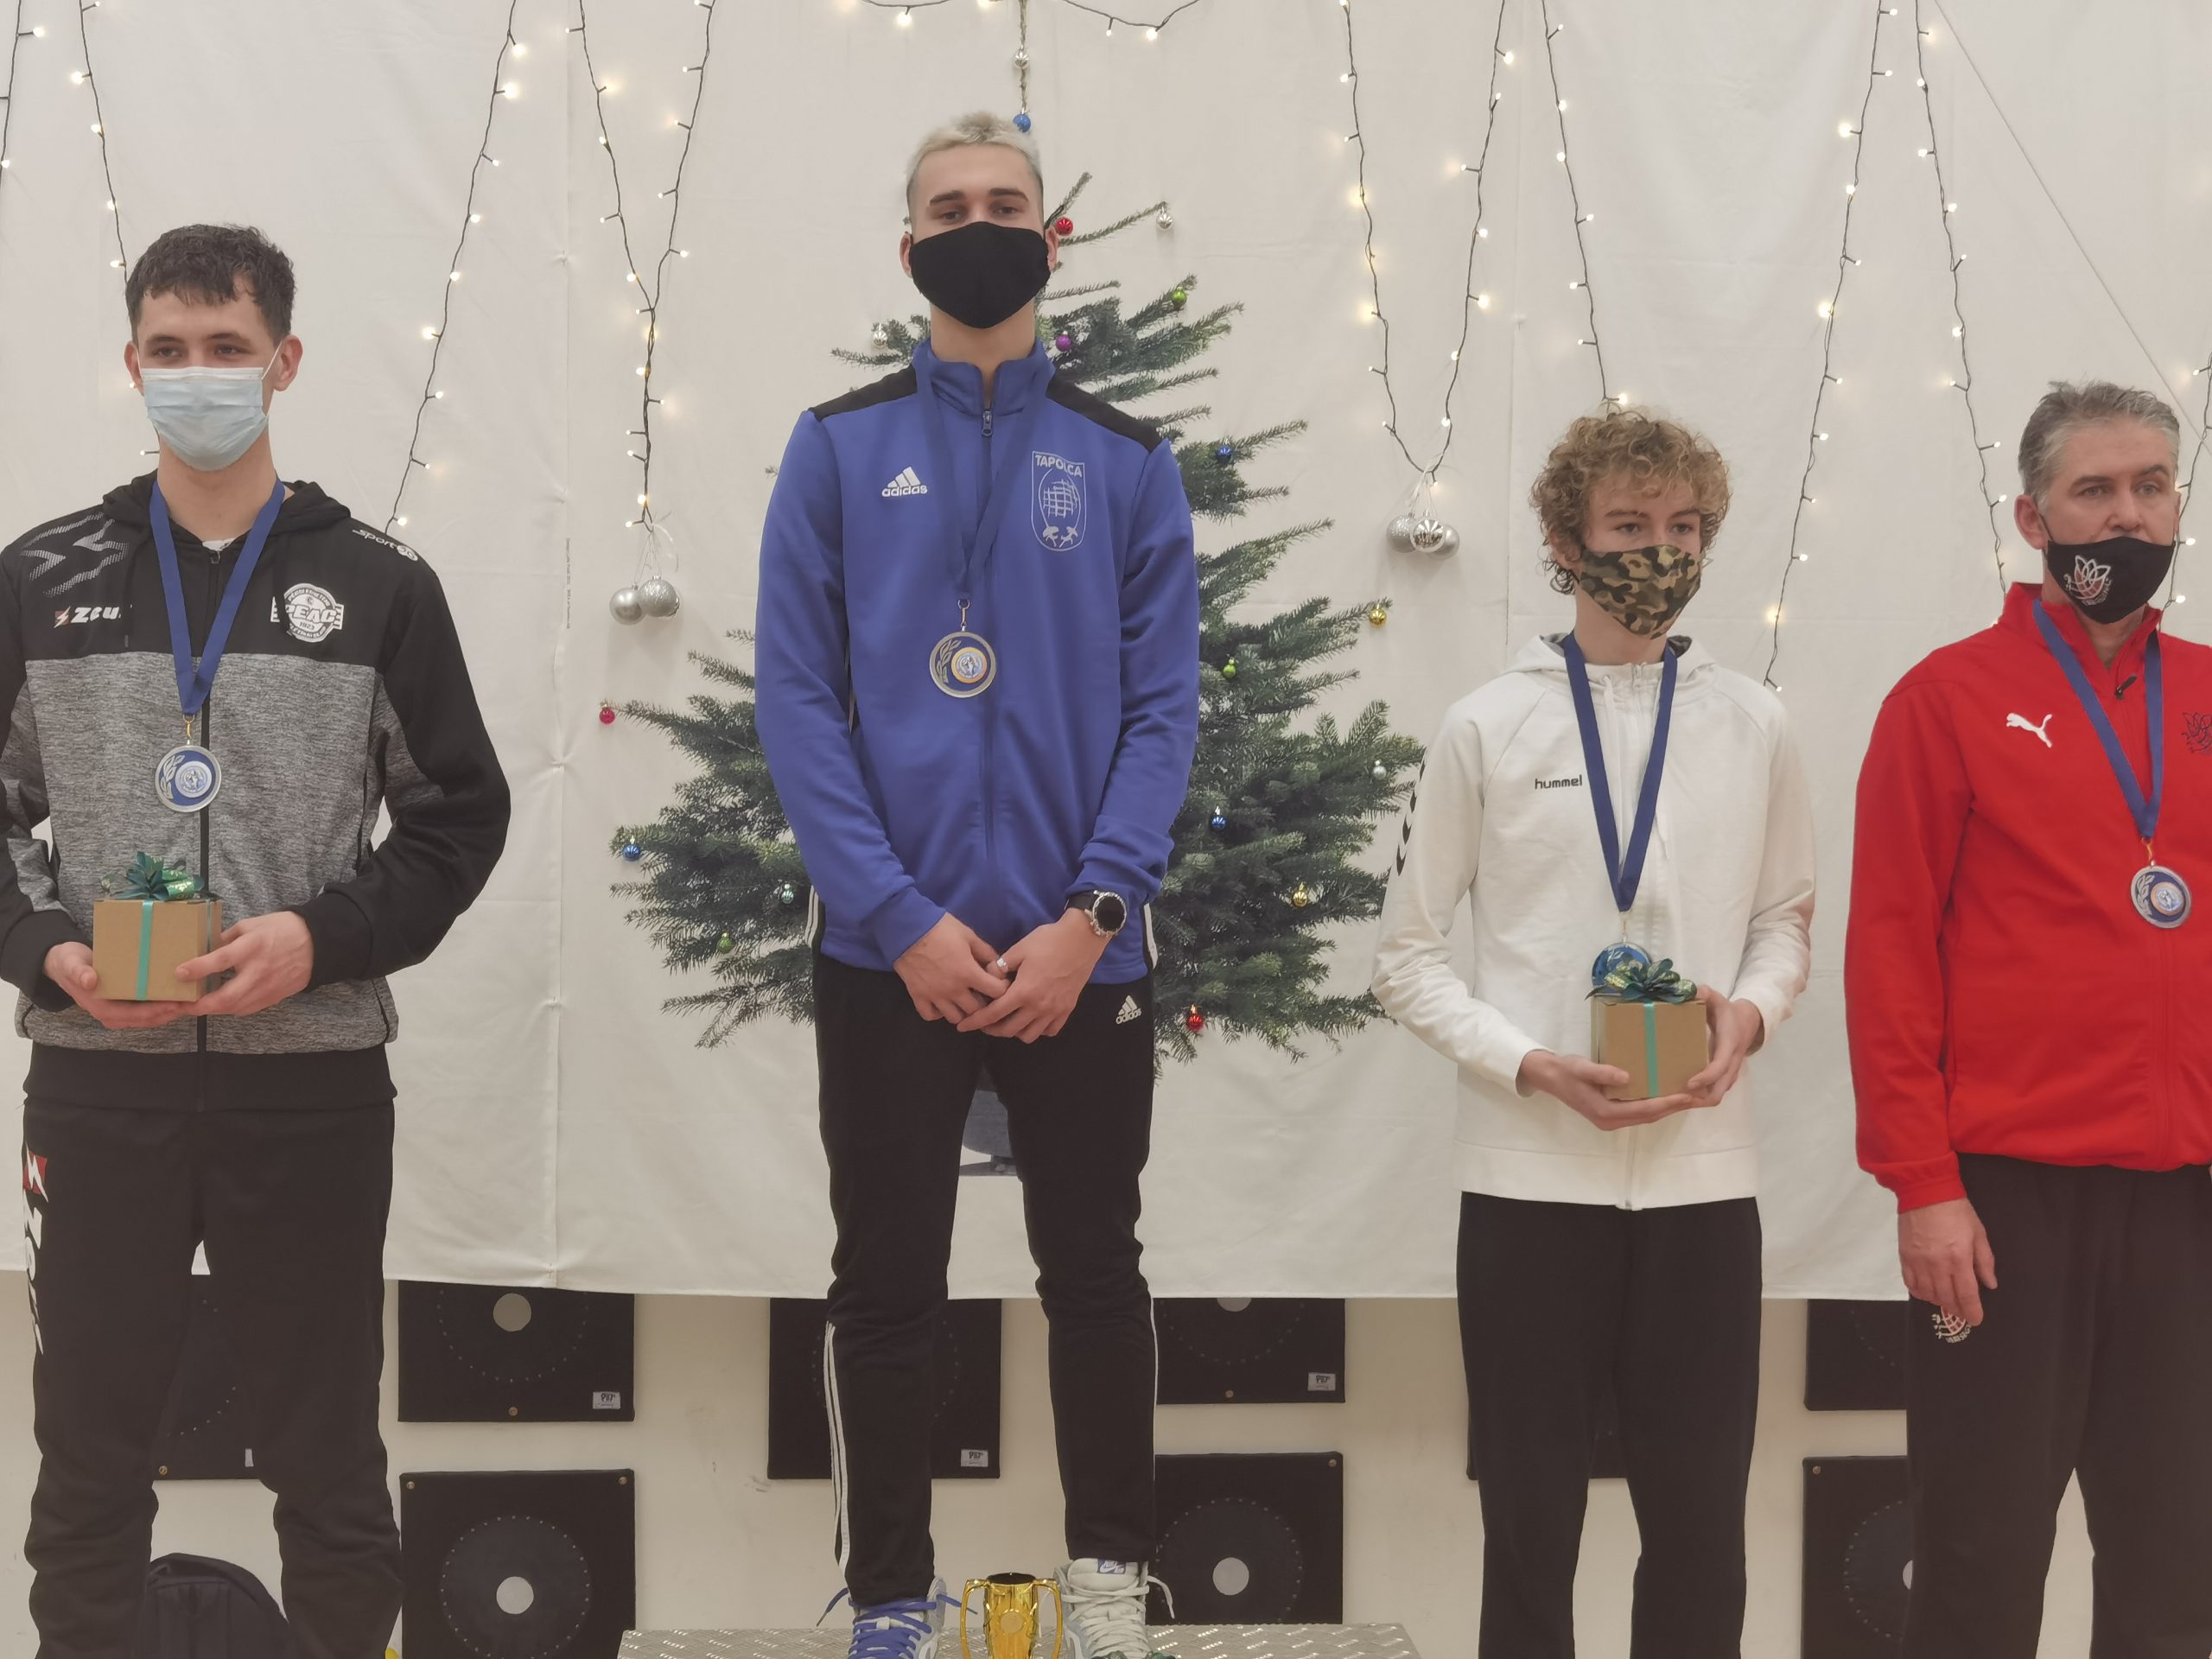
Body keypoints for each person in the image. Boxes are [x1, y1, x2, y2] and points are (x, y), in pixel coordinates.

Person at [1, 224, 510, 1657]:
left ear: (284, 362)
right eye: (170, 349)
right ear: (132, 364)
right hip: (101, 1087)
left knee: (326, 1453)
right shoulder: (39, 577)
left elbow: (459, 818)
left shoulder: (380, 584)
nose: (198, 374)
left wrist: (324, 940)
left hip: (312, 1086)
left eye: (227, 348)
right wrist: (45, 948)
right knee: (89, 1458)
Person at [754, 114, 1198, 1659]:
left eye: (1006, 203)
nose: (980, 225)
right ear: (911, 249)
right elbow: (798, 702)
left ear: (1047, 238)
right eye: (950, 208)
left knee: (1097, 1274)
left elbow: (1164, 710)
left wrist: (1094, 917)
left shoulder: (1127, 461)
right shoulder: (836, 448)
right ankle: (890, 1596)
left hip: (1083, 953)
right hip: (894, 957)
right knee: (886, 1284)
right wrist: (897, 919)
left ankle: (1110, 1582)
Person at [1372, 408, 1814, 1659]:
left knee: (1700, 1527)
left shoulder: (1755, 723)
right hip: (1529, 1186)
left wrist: (1751, 1013)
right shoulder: (1486, 724)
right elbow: (1404, 959)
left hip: (1703, 1186)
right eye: (1628, 525)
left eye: (1684, 527)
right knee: (1529, 1528)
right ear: (1567, 543)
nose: (1658, 551)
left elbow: (1784, 921)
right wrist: (1525, 1062)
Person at [1847, 380, 2212, 1656]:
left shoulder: (2208, 694)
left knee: (2179, 1566)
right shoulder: (1945, 699)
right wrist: (1923, 1186)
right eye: (2093, 490)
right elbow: (1890, 958)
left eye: (2151, 486)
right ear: (2033, 518)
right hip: (2004, 1207)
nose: (2127, 514)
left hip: (2187, 1202)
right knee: (1980, 1560)